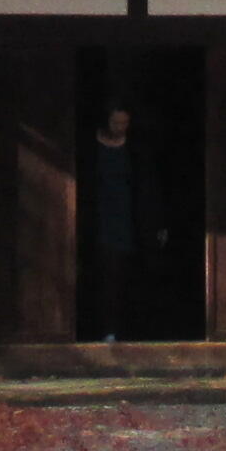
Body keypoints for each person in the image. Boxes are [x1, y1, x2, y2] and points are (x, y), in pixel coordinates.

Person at [84, 101, 141, 341]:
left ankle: (119, 329)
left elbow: (144, 184)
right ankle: (97, 328)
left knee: (120, 274)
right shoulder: (91, 145)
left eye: (124, 123)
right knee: (97, 271)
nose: (120, 127)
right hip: (98, 213)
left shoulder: (134, 147)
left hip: (125, 214)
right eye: (116, 122)